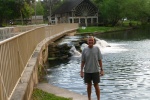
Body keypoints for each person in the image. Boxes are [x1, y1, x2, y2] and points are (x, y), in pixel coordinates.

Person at [80, 36, 104, 100]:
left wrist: (101, 70)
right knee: (89, 85)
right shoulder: (84, 50)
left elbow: (100, 60)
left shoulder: (97, 49)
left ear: (94, 41)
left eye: (92, 40)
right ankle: (89, 98)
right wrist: (81, 71)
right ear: (87, 42)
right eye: (89, 40)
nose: (90, 41)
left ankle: (98, 99)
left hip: (95, 70)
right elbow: (83, 61)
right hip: (87, 71)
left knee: (96, 85)